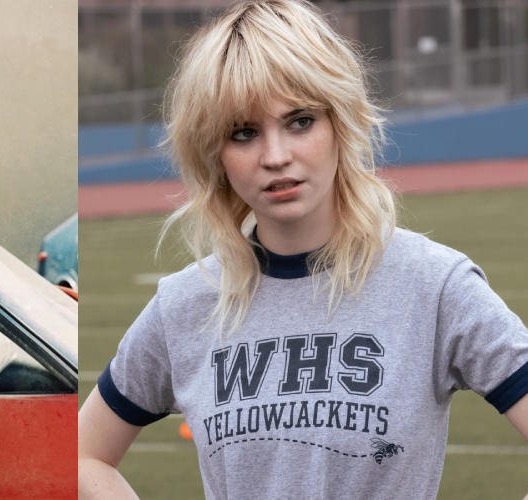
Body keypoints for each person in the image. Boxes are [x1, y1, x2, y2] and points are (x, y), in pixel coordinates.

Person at [77, 1, 528, 498]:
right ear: (215, 153)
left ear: (341, 122)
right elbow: (82, 454)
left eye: (300, 121)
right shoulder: (183, 306)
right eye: (243, 133)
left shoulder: (436, 285)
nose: (276, 156)